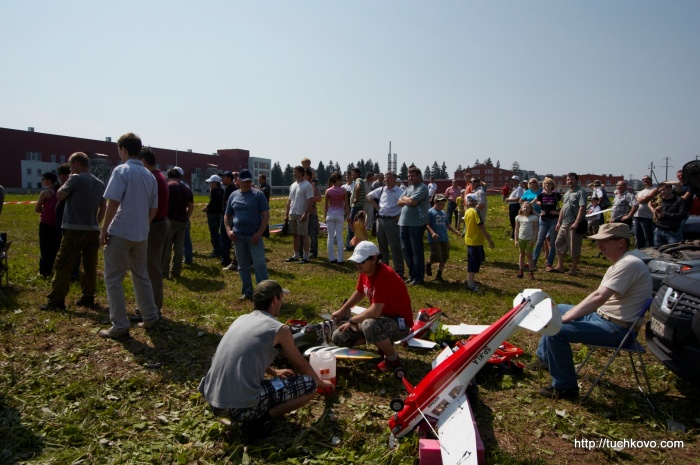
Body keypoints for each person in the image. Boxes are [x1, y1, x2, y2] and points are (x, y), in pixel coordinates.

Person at [198, 280, 334, 437]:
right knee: (310, 385)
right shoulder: (279, 329)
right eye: (281, 298)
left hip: (213, 401)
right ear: (275, 299)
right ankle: (259, 420)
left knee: (272, 383)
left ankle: (251, 412)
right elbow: (301, 365)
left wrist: (273, 371)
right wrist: (321, 382)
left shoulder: (241, 319)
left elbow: (250, 354)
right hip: (237, 409)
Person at [532, 223, 652, 399]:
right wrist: (566, 315)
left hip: (618, 329)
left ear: (621, 242)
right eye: (598, 241)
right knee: (558, 309)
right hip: (603, 318)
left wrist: (566, 319)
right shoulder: (621, 263)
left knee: (556, 330)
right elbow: (597, 297)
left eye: (604, 241)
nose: (599, 245)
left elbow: (599, 297)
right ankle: (547, 359)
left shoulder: (629, 264)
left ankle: (566, 389)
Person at [98, 132, 159, 339]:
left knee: (114, 278)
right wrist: (144, 225)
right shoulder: (149, 175)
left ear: (123, 150)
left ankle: (120, 324)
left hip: (121, 230)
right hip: (141, 233)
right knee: (141, 275)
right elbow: (153, 208)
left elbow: (113, 202)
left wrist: (104, 228)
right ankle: (150, 316)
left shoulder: (121, 171)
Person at [331, 241, 414, 372]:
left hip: (400, 324)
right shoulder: (364, 272)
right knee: (338, 336)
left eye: (361, 262)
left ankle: (392, 360)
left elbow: (375, 311)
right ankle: (379, 345)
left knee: (369, 325)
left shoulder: (385, 276)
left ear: (374, 259)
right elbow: (360, 292)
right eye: (356, 262)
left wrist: (353, 321)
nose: (358, 265)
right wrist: (343, 310)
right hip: (381, 320)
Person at [42, 153, 106, 310]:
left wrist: (68, 179)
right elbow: (103, 206)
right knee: (89, 266)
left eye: (71, 166)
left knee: (63, 264)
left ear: (77, 164)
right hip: (92, 230)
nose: (70, 170)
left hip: (74, 229)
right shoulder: (99, 183)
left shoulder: (75, 178)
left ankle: (56, 300)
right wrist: (96, 223)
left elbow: (60, 196)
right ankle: (88, 296)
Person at [132, 147, 169, 320]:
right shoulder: (158, 176)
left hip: (154, 225)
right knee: (151, 267)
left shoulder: (153, 177)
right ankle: (150, 306)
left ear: (143, 161)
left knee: (151, 268)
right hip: (158, 224)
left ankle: (152, 308)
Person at [224, 169, 270, 301]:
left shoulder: (258, 195)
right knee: (242, 265)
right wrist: (229, 230)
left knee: (259, 264)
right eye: (245, 181)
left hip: (254, 236)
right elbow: (227, 216)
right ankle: (247, 292)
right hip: (238, 236)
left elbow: (266, 215)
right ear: (238, 182)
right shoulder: (233, 195)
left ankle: (263, 293)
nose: (248, 183)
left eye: (249, 181)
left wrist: (259, 233)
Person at [366, 171, 405, 278]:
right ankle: (384, 269)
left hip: (392, 221)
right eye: (385, 178)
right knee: (382, 246)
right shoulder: (382, 190)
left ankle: (399, 271)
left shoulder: (399, 191)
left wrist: (400, 215)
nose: (386, 180)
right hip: (380, 221)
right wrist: (376, 206)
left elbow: (406, 204)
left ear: (394, 179)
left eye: (389, 178)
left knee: (395, 247)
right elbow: (369, 196)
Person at [398, 166, 430, 286]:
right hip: (403, 223)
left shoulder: (422, 188)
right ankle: (412, 275)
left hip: (416, 224)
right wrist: (407, 199)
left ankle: (419, 277)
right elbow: (398, 202)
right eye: (409, 176)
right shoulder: (409, 188)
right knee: (406, 250)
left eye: (412, 175)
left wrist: (405, 199)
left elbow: (412, 202)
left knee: (416, 251)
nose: (410, 178)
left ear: (419, 176)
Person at [552, 172, 587, 276]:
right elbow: (563, 208)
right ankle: (560, 266)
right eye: (568, 180)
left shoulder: (581, 192)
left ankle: (573, 269)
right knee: (558, 243)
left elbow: (582, 208)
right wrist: (559, 222)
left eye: (571, 179)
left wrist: (576, 222)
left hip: (573, 223)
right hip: (564, 223)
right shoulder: (567, 193)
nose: (569, 181)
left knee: (574, 246)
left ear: (576, 180)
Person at [162, 168, 194, 279]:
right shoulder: (186, 189)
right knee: (179, 248)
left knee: (166, 248)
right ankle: (176, 271)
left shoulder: (167, 186)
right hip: (182, 221)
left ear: (168, 176)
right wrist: (187, 217)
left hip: (169, 220)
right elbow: (191, 206)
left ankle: (164, 272)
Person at [463, 194, 495, 292]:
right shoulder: (475, 211)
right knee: (473, 262)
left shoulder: (467, 211)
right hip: (475, 241)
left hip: (469, 239)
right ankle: (470, 283)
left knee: (474, 261)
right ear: (476, 202)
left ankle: (470, 280)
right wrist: (489, 240)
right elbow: (480, 226)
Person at [285, 165, 315, 263]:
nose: (294, 173)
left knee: (303, 235)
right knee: (295, 235)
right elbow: (289, 200)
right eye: (293, 171)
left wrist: (305, 213)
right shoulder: (292, 185)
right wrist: (287, 213)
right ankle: (296, 255)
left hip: (301, 213)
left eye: (296, 171)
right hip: (292, 213)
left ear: (301, 173)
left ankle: (306, 256)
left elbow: (310, 200)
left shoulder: (307, 185)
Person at [425, 194, 459, 282]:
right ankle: (428, 264)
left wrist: (455, 231)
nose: (442, 206)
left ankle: (439, 275)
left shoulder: (443, 212)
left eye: (443, 204)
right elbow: (427, 224)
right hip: (434, 239)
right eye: (440, 204)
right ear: (435, 202)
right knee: (436, 256)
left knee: (444, 257)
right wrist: (432, 233)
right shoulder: (430, 212)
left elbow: (447, 224)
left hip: (444, 238)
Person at [35, 172, 62, 278]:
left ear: (49, 181)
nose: (42, 181)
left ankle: (44, 272)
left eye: (43, 179)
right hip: (57, 224)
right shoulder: (60, 192)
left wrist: (44, 210)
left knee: (45, 249)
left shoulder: (45, 193)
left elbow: (37, 209)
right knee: (56, 248)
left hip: (46, 224)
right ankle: (55, 269)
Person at [534, 177, 561, 271]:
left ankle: (549, 263)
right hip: (543, 221)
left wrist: (558, 213)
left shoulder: (556, 195)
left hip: (553, 220)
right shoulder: (541, 195)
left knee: (552, 242)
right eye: (545, 184)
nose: (547, 185)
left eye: (549, 184)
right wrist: (537, 213)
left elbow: (566, 205)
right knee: (539, 241)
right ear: (543, 186)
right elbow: (530, 204)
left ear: (552, 186)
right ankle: (533, 262)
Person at [650, 181, 685, 246]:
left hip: (672, 232)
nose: (662, 192)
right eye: (660, 191)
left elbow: (682, 215)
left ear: (670, 188)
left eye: (663, 189)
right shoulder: (662, 201)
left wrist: (665, 214)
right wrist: (657, 211)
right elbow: (650, 204)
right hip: (659, 230)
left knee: (673, 252)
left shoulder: (679, 200)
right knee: (658, 252)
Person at [324, 172, 349, 263]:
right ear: (338, 180)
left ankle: (331, 257)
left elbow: (326, 205)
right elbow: (346, 204)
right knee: (339, 237)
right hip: (340, 215)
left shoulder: (328, 191)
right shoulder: (343, 191)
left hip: (330, 215)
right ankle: (340, 258)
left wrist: (324, 216)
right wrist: (348, 215)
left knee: (330, 237)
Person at [174, 166, 194, 265]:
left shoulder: (171, 185)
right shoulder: (186, 186)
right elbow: (190, 203)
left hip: (174, 216)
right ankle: (188, 258)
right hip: (184, 214)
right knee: (186, 239)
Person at [515, 201, 538, 280]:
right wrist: (516, 240)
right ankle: (520, 270)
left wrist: (534, 239)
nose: (526, 209)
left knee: (529, 255)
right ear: (521, 208)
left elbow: (536, 229)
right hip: (521, 238)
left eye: (528, 207)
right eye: (524, 207)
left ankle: (531, 272)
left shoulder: (533, 218)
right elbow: (516, 229)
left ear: (531, 209)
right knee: (521, 254)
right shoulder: (518, 218)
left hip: (529, 239)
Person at [220, 171, 238, 270]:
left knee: (225, 238)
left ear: (229, 178)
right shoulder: (233, 188)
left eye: (224, 177)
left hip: (228, 217)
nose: (222, 179)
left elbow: (228, 203)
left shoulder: (230, 189)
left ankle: (225, 259)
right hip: (231, 216)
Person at [203, 174, 224, 258]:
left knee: (213, 233)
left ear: (215, 183)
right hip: (219, 213)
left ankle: (217, 251)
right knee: (217, 232)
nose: (210, 184)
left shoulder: (213, 191)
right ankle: (219, 249)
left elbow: (212, 202)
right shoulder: (222, 190)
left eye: (211, 182)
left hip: (212, 214)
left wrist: (206, 208)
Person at [634, 176, 657, 249]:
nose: (645, 180)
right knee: (639, 238)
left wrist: (639, 199)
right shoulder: (641, 191)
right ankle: (640, 252)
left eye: (647, 179)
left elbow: (645, 199)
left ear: (651, 180)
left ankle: (650, 252)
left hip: (647, 217)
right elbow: (636, 200)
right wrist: (640, 199)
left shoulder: (654, 189)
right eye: (643, 179)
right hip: (637, 216)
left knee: (648, 237)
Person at [346, 168, 365, 250]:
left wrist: (356, 199)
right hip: (359, 206)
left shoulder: (358, 180)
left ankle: (350, 245)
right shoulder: (359, 180)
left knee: (351, 223)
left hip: (356, 206)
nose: (352, 175)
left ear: (358, 173)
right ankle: (356, 243)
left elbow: (358, 187)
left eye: (353, 173)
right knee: (357, 225)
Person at [506, 175, 524, 239]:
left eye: (513, 180)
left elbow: (518, 198)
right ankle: (514, 234)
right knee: (512, 220)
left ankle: (515, 235)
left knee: (515, 220)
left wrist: (509, 199)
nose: (511, 182)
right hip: (512, 206)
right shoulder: (515, 188)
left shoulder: (519, 188)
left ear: (517, 181)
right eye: (511, 180)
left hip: (515, 206)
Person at [257, 173, 272, 238]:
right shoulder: (260, 186)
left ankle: (266, 234)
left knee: (265, 220)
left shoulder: (267, 186)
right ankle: (262, 233)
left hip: (264, 206)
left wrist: (254, 189)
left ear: (264, 180)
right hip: (259, 206)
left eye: (260, 180)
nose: (259, 181)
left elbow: (262, 191)